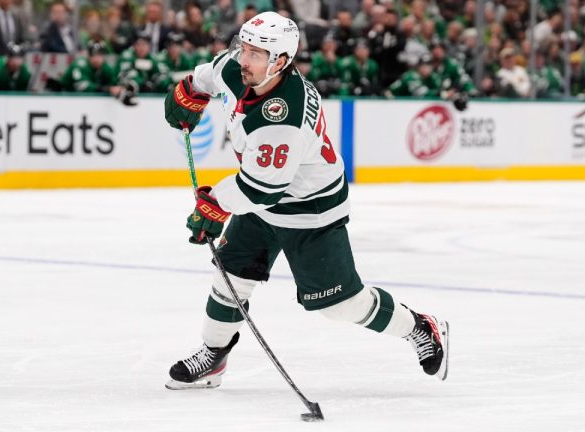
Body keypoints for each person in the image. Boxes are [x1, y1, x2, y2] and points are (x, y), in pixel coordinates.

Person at [162, 11, 449, 390]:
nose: (242, 59)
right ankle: (214, 355)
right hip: (264, 198)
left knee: (341, 305)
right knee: (230, 275)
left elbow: (260, 189)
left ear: (279, 61)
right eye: (243, 48)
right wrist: (191, 89)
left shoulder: (282, 117)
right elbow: (211, 73)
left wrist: (214, 204)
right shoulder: (240, 67)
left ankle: (419, 328)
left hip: (309, 210)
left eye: (254, 54)